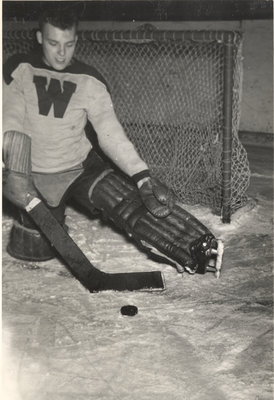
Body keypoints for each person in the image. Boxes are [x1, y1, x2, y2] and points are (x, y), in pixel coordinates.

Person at [3, 7, 174, 261]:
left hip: (80, 167)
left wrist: (141, 175)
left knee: (131, 207)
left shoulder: (90, 80)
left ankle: (194, 246)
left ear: (76, 41)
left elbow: (109, 131)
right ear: (40, 38)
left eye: (69, 44)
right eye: (53, 43)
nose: (61, 53)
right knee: (36, 247)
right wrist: (9, 165)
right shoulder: (20, 68)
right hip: (33, 173)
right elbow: (10, 118)